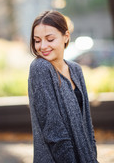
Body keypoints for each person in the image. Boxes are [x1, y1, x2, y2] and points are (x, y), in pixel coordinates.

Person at [28, 10, 98, 163]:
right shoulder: (40, 68)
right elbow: (53, 131)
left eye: (50, 39)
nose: (43, 46)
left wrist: (92, 157)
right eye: (37, 40)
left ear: (66, 36)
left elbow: (86, 122)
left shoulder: (75, 69)